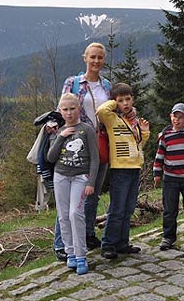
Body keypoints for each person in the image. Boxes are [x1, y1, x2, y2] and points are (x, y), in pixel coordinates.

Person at [53, 42, 111, 259]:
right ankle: (62, 243)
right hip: (76, 146)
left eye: (100, 58)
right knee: (68, 199)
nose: (96, 61)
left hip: (100, 143)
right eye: (92, 57)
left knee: (92, 191)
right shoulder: (73, 82)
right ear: (85, 58)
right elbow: (63, 109)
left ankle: (86, 234)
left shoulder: (106, 86)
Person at [96, 83, 150, 259]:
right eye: (121, 100)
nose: (125, 103)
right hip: (120, 168)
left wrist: (145, 133)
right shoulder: (113, 119)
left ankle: (122, 242)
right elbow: (101, 112)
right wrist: (113, 102)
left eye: (128, 99)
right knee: (117, 209)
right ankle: (108, 244)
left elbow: (138, 145)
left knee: (128, 208)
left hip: (135, 167)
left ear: (133, 99)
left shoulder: (133, 122)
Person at [47, 93, 99, 275]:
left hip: (80, 177)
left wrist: (91, 181)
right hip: (61, 176)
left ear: (79, 109)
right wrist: (61, 137)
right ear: (60, 111)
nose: (69, 113)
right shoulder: (58, 130)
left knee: (75, 213)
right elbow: (50, 157)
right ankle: (70, 252)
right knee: (63, 215)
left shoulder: (87, 129)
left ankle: (81, 255)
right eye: (65, 110)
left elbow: (95, 157)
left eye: (72, 109)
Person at [153, 103, 184, 251]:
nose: (177, 120)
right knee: (170, 210)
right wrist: (157, 173)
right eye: (175, 116)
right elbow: (159, 156)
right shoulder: (165, 136)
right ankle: (168, 237)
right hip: (170, 178)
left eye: (181, 117)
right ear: (171, 117)